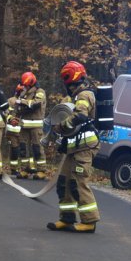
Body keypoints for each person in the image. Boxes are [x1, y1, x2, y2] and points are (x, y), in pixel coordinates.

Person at [47, 61, 100, 233]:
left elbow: (80, 116)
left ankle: (89, 221)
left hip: (84, 148)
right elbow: (58, 117)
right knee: (63, 182)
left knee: (78, 182)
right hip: (72, 147)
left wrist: (62, 126)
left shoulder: (85, 95)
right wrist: (57, 130)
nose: (66, 84)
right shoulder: (70, 98)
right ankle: (67, 218)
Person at [16, 72, 47, 179]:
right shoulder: (24, 92)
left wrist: (23, 102)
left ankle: (41, 170)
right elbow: (18, 106)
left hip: (36, 125)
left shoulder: (40, 92)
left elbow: (36, 103)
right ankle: (25, 169)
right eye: (25, 85)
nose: (26, 87)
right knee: (23, 148)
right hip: (24, 125)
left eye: (27, 85)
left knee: (37, 148)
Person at [4, 84, 24, 178]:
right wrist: (10, 119)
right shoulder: (11, 100)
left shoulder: (26, 101)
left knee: (24, 150)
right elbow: (5, 112)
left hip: (23, 131)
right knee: (15, 150)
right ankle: (14, 169)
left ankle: (24, 169)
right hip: (12, 131)